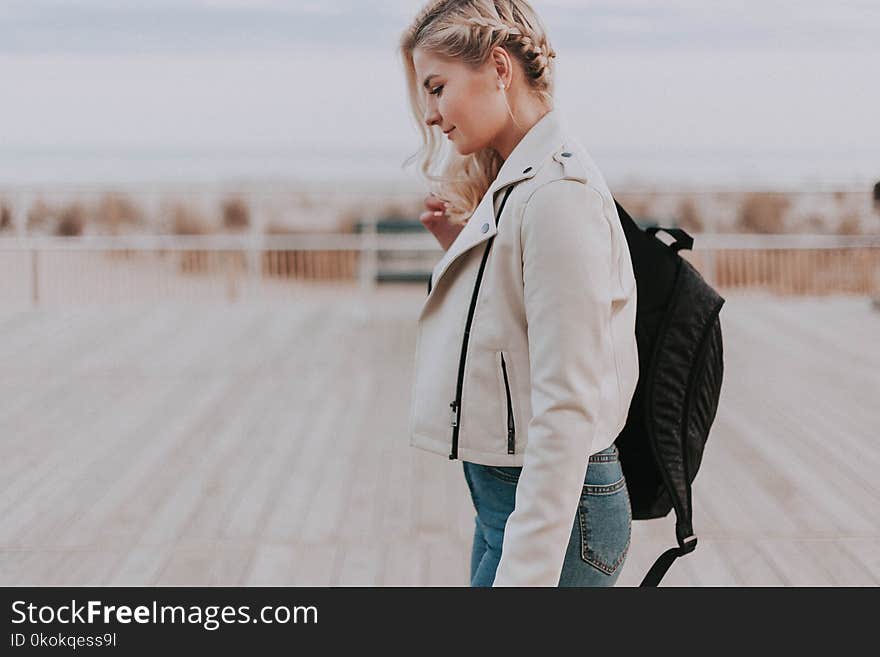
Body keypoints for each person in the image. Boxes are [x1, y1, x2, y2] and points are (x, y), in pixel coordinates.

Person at [400, 0, 639, 587]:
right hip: (510, 502)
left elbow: (566, 404)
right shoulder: (519, 182)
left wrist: (526, 575)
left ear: (499, 69)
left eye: (437, 87)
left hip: (555, 515)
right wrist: (463, 245)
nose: (432, 114)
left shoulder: (559, 195)